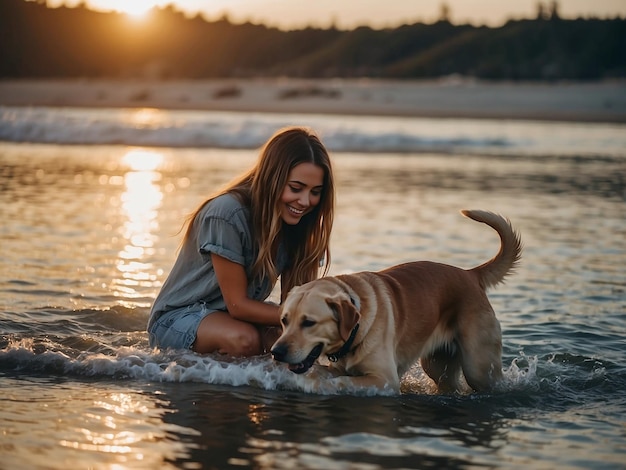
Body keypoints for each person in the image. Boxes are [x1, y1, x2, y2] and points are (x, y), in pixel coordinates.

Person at [147, 127, 335, 357]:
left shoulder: (301, 224)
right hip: (178, 319)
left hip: (233, 320)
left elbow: (296, 301)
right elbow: (238, 305)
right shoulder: (227, 214)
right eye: (296, 188)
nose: (305, 201)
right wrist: (312, 316)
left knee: (296, 347)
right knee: (245, 341)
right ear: (272, 178)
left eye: (315, 192)